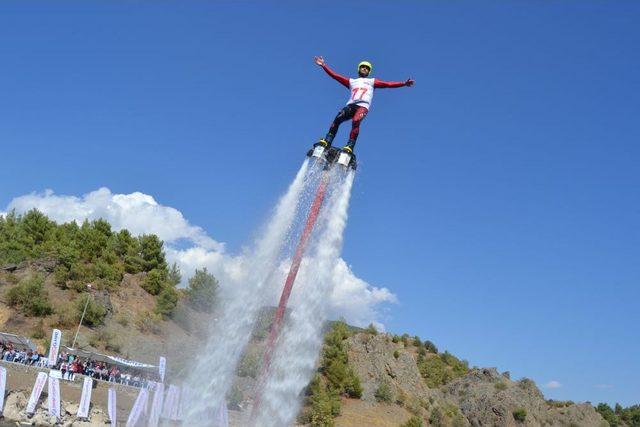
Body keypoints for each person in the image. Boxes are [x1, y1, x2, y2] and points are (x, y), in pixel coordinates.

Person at [314, 56, 414, 153]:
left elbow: (388, 84)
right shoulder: (352, 81)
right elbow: (335, 76)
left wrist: (403, 83)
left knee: (356, 120)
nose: (364, 69)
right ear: (359, 69)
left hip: (362, 107)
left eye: (367, 68)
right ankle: (327, 141)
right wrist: (323, 65)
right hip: (351, 105)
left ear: (369, 71)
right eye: (363, 67)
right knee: (338, 118)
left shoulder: (372, 81)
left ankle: (350, 146)